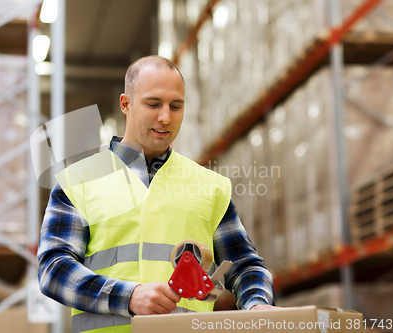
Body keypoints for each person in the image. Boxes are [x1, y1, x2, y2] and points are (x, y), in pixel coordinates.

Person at [38, 55, 275, 333]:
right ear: (126, 104)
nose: (166, 117)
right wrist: (129, 296)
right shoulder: (77, 182)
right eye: (153, 104)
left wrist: (256, 304)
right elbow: (54, 269)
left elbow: (245, 265)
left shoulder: (210, 186)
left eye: (176, 106)